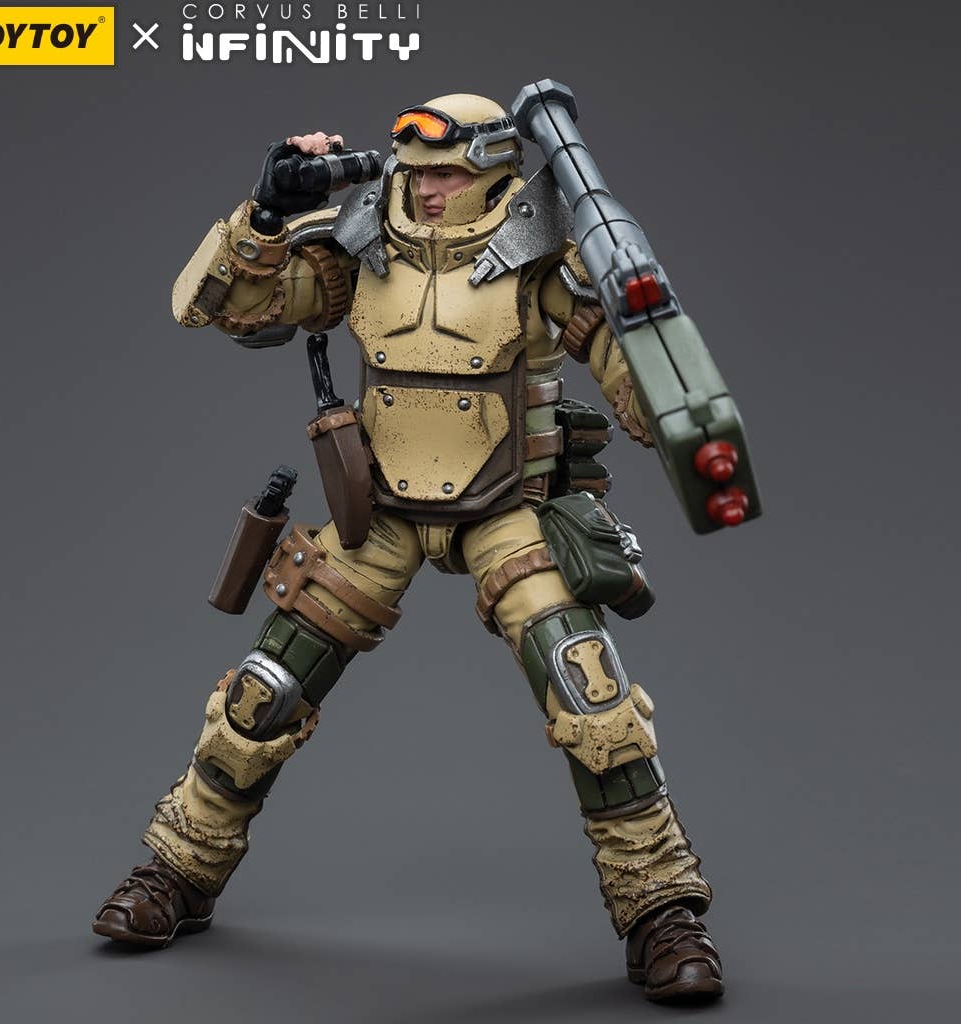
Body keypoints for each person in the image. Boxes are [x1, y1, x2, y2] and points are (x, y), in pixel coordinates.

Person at [93, 93, 724, 1004]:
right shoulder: (363, 244)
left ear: (496, 169)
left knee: (594, 702)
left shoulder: (541, 254)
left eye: (447, 174)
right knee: (262, 693)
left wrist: (670, 407)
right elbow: (222, 308)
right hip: (378, 514)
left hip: (508, 511)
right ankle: (178, 869)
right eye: (417, 171)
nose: (426, 189)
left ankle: (661, 908)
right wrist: (261, 216)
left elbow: (629, 366)